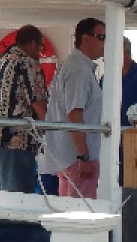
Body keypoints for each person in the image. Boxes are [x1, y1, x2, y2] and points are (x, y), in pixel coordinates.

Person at [0, 24, 49, 193]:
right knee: (17, 201)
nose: (40, 52)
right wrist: (51, 136)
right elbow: (39, 105)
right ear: (33, 43)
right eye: (40, 47)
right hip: (15, 144)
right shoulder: (29, 64)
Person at [42, 18, 105, 198]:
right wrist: (83, 157)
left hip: (68, 158)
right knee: (82, 209)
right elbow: (75, 114)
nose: (105, 43)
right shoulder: (78, 68)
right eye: (101, 37)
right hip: (77, 159)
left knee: (68, 209)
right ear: (85, 38)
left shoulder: (73, 65)